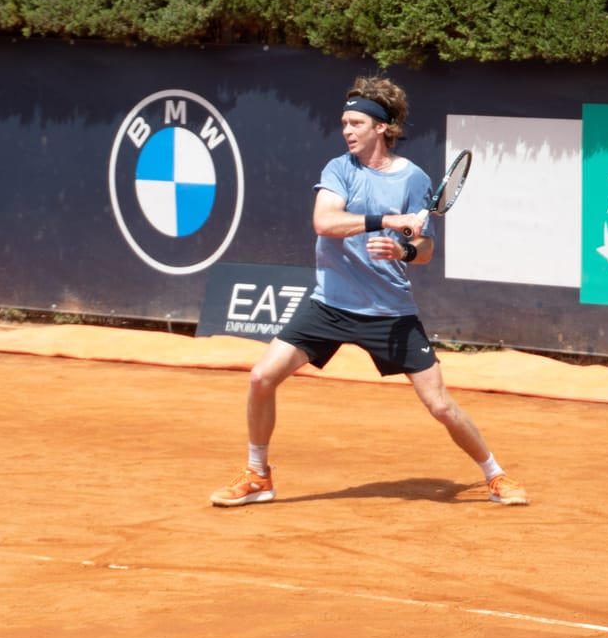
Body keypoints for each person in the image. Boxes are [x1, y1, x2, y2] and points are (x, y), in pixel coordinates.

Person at [210, 75, 529, 507]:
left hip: (390, 312)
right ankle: (258, 475)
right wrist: (386, 221)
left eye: (356, 123)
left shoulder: (413, 179)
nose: (347, 131)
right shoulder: (339, 169)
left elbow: (426, 249)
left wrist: (402, 249)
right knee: (262, 377)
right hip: (330, 306)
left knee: (439, 406)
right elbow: (325, 223)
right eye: (344, 122)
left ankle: (496, 475)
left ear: (381, 127)